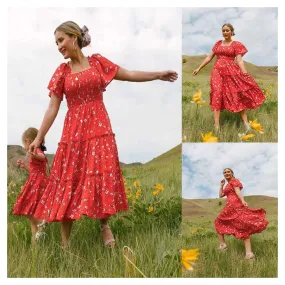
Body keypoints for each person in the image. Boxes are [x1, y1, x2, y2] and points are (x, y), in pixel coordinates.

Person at [29, 21, 178, 248]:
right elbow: (53, 107)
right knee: (68, 179)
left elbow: (128, 73)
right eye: (56, 42)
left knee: (102, 174)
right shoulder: (62, 72)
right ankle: (65, 243)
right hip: (73, 133)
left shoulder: (98, 62)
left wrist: (157, 74)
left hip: (100, 129)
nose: (58, 46)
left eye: (61, 40)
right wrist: (39, 138)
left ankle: (104, 225)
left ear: (74, 38)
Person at [192, 23, 265, 132]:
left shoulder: (236, 44)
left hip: (231, 72)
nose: (225, 32)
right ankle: (216, 126)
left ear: (231, 31)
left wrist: (245, 73)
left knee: (237, 94)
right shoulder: (217, 44)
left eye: (227, 30)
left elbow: (239, 60)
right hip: (217, 71)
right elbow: (209, 57)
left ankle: (246, 123)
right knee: (217, 94)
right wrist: (199, 68)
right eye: (223, 30)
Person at [214, 168, 268, 259]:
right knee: (218, 221)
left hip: (235, 205)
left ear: (232, 173)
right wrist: (221, 185)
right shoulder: (227, 185)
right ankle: (224, 245)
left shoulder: (234, 181)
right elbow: (220, 195)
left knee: (241, 226)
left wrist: (243, 201)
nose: (226, 173)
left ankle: (248, 254)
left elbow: (238, 191)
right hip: (229, 207)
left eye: (228, 172)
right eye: (224, 172)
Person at [13, 128, 49, 245]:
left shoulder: (37, 150)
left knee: (27, 209)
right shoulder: (35, 151)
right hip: (36, 181)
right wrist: (24, 166)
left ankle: (42, 222)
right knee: (32, 214)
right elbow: (34, 171)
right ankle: (35, 248)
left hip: (38, 184)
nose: (24, 147)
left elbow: (42, 157)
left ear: (28, 141)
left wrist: (34, 154)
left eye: (24, 144)